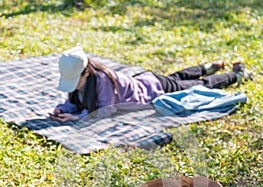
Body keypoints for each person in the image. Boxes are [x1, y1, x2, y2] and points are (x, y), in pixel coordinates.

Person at [51, 46, 252, 122]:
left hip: (153, 89)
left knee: (199, 85)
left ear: (86, 72)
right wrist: (63, 109)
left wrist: (76, 118)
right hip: (148, 79)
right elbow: (74, 101)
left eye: (74, 80)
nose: (73, 85)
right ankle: (210, 65)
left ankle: (237, 75)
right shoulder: (83, 82)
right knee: (178, 77)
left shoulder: (102, 79)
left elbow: (105, 110)